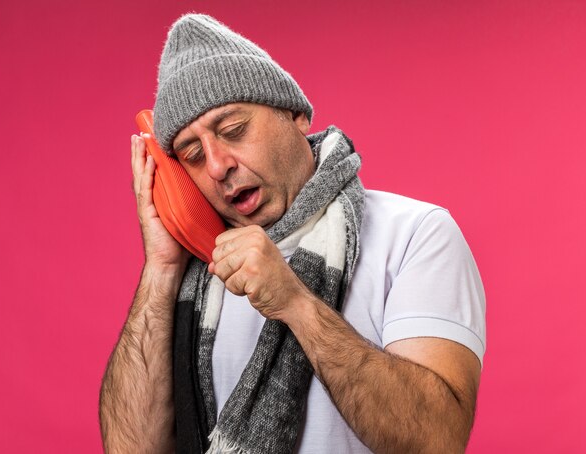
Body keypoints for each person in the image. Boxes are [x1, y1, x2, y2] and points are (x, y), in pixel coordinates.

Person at [99, 13, 486, 454]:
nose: (216, 165)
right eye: (191, 154)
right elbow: (130, 448)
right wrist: (162, 268)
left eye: (233, 130)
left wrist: (295, 303)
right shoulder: (196, 272)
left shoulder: (415, 234)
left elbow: (437, 440)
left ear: (296, 114)